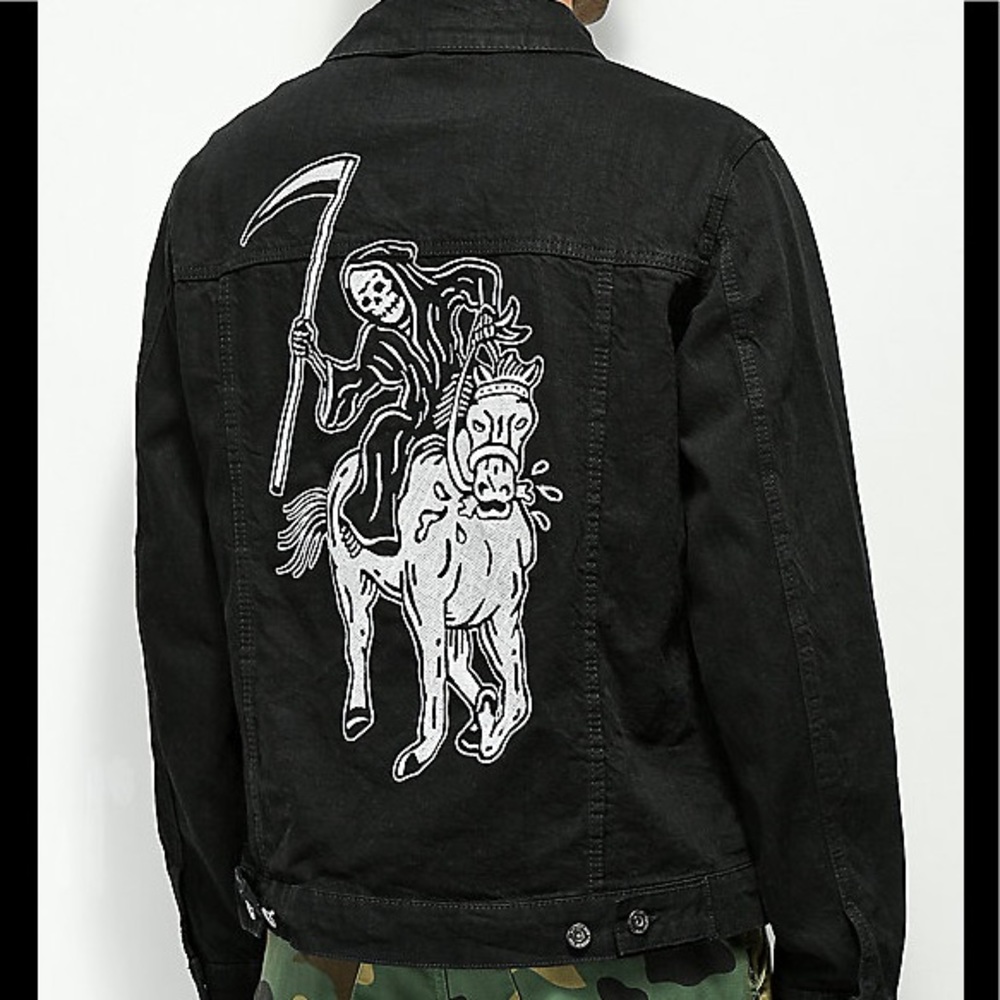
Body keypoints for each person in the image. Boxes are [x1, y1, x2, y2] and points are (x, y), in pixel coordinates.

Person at [134, 1, 905, 999]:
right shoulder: (704, 177)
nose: (374, 305)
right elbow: (794, 637)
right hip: (642, 950)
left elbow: (186, 638)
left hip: (324, 954)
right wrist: (837, 972)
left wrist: (244, 958)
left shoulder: (216, 195)